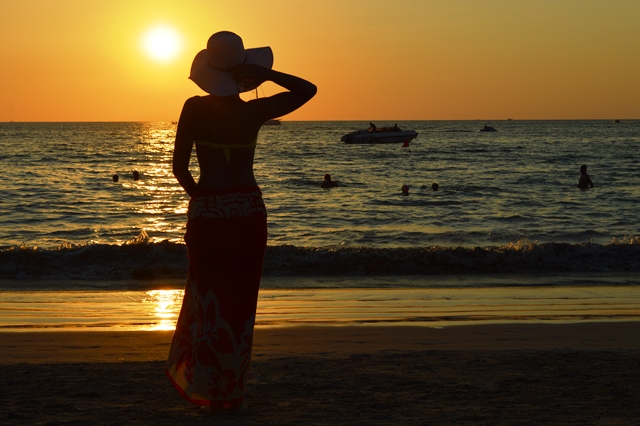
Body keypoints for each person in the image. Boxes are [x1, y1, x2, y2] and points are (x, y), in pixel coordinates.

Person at [166, 31, 316, 413]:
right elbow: (307, 89)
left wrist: (200, 199)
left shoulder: (194, 107)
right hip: (248, 210)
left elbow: (179, 167)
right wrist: (267, 75)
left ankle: (207, 389)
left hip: (209, 210)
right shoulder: (252, 111)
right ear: (244, 70)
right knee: (239, 304)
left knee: (207, 300)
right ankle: (230, 391)